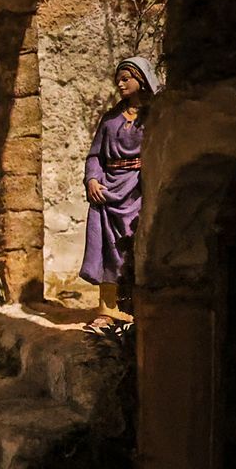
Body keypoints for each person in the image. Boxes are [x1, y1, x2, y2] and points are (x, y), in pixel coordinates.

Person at [81, 56, 160, 330]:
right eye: (119, 78)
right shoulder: (110, 119)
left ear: (141, 80)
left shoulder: (154, 118)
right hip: (108, 192)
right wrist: (92, 179)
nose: (121, 83)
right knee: (108, 251)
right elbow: (95, 155)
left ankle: (136, 309)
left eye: (127, 78)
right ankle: (107, 311)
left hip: (138, 191)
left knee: (134, 248)